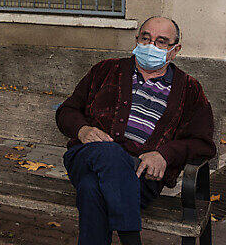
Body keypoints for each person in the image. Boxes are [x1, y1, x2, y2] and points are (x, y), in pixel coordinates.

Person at [55, 16, 216, 245]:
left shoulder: (189, 89)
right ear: (136, 40)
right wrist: (82, 130)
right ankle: (132, 240)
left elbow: (203, 143)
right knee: (110, 152)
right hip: (87, 158)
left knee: (92, 188)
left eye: (161, 42)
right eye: (145, 38)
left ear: (175, 50)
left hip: (141, 178)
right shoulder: (105, 70)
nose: (151, 46)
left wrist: (164, 155)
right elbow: (66, 111)